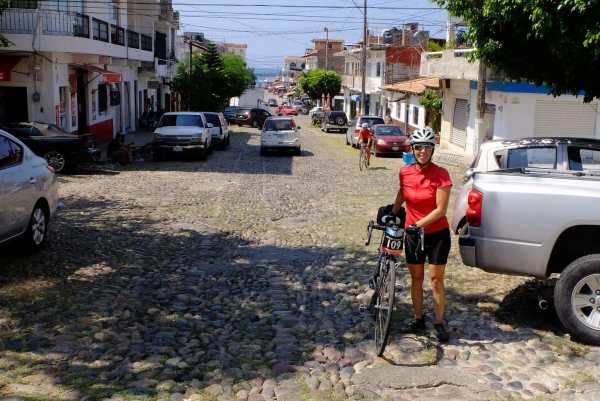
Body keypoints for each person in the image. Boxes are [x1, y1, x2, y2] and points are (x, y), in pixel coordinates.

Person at [391, 128, 452, 342]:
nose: (422, 151)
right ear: (413, 149)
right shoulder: (405, 171)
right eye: (418, 147)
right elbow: (402, 193)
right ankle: (418, 319)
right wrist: (393, 212)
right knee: (416, 278)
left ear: (432, 149)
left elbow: (441, 210)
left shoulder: (441, 174)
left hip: (437, 234)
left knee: (436, 279)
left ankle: (438, 322)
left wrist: (419, 224)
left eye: (427, 147)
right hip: (413, 235)